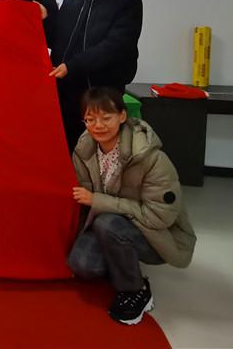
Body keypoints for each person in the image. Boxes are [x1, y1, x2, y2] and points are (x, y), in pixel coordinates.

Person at [67, 87, 195, 325]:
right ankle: (120, 260)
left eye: (106, 118)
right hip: (110, 223)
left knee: (107, 224)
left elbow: (159, 217)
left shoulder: (151, 158)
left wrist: (99, 201)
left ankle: (136, 289)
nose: (98, 125)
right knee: (82, 264)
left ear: (122, 116)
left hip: (157, 234)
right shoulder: (84, 151)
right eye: (90, 119)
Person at [49, 0, 143, 151]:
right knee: (69, 144)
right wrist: (39, 18)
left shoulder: (127, 0)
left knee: (103, 145)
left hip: (104, 88)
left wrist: (73, 65)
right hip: (67, 90)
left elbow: (116, 45)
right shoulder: (71, 0)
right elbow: (58, 39)